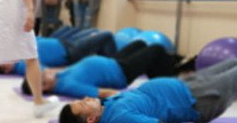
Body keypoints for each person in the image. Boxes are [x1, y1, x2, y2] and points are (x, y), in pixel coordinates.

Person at [58, 59, 237, 123]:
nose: (86, 98)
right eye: (83, 103)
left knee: (233, 62)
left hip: (187, 85)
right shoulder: (122, 119)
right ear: (91, 119)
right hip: (198, 100)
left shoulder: (107, 106)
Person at [21, 40, 186, 98]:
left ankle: (176, 64)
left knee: (140, 44)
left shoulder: (58, 78)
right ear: (44, 86)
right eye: (42, 76)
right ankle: (171, 83)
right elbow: (102, 93)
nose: (44, 72)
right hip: (121, 72)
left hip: (112, 61)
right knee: (156, 49)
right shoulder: (69, 87)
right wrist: (133, 98)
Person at [0, 30, 117, 75]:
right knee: (106, 36)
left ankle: (105, 63)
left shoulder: (17, 56)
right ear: (6, 70)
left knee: (94, 32)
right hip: (70, 51)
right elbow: (47, 72)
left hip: (63, 42)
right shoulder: (23, 66)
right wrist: (68, 68)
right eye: (4, 64)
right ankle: (115, 67)